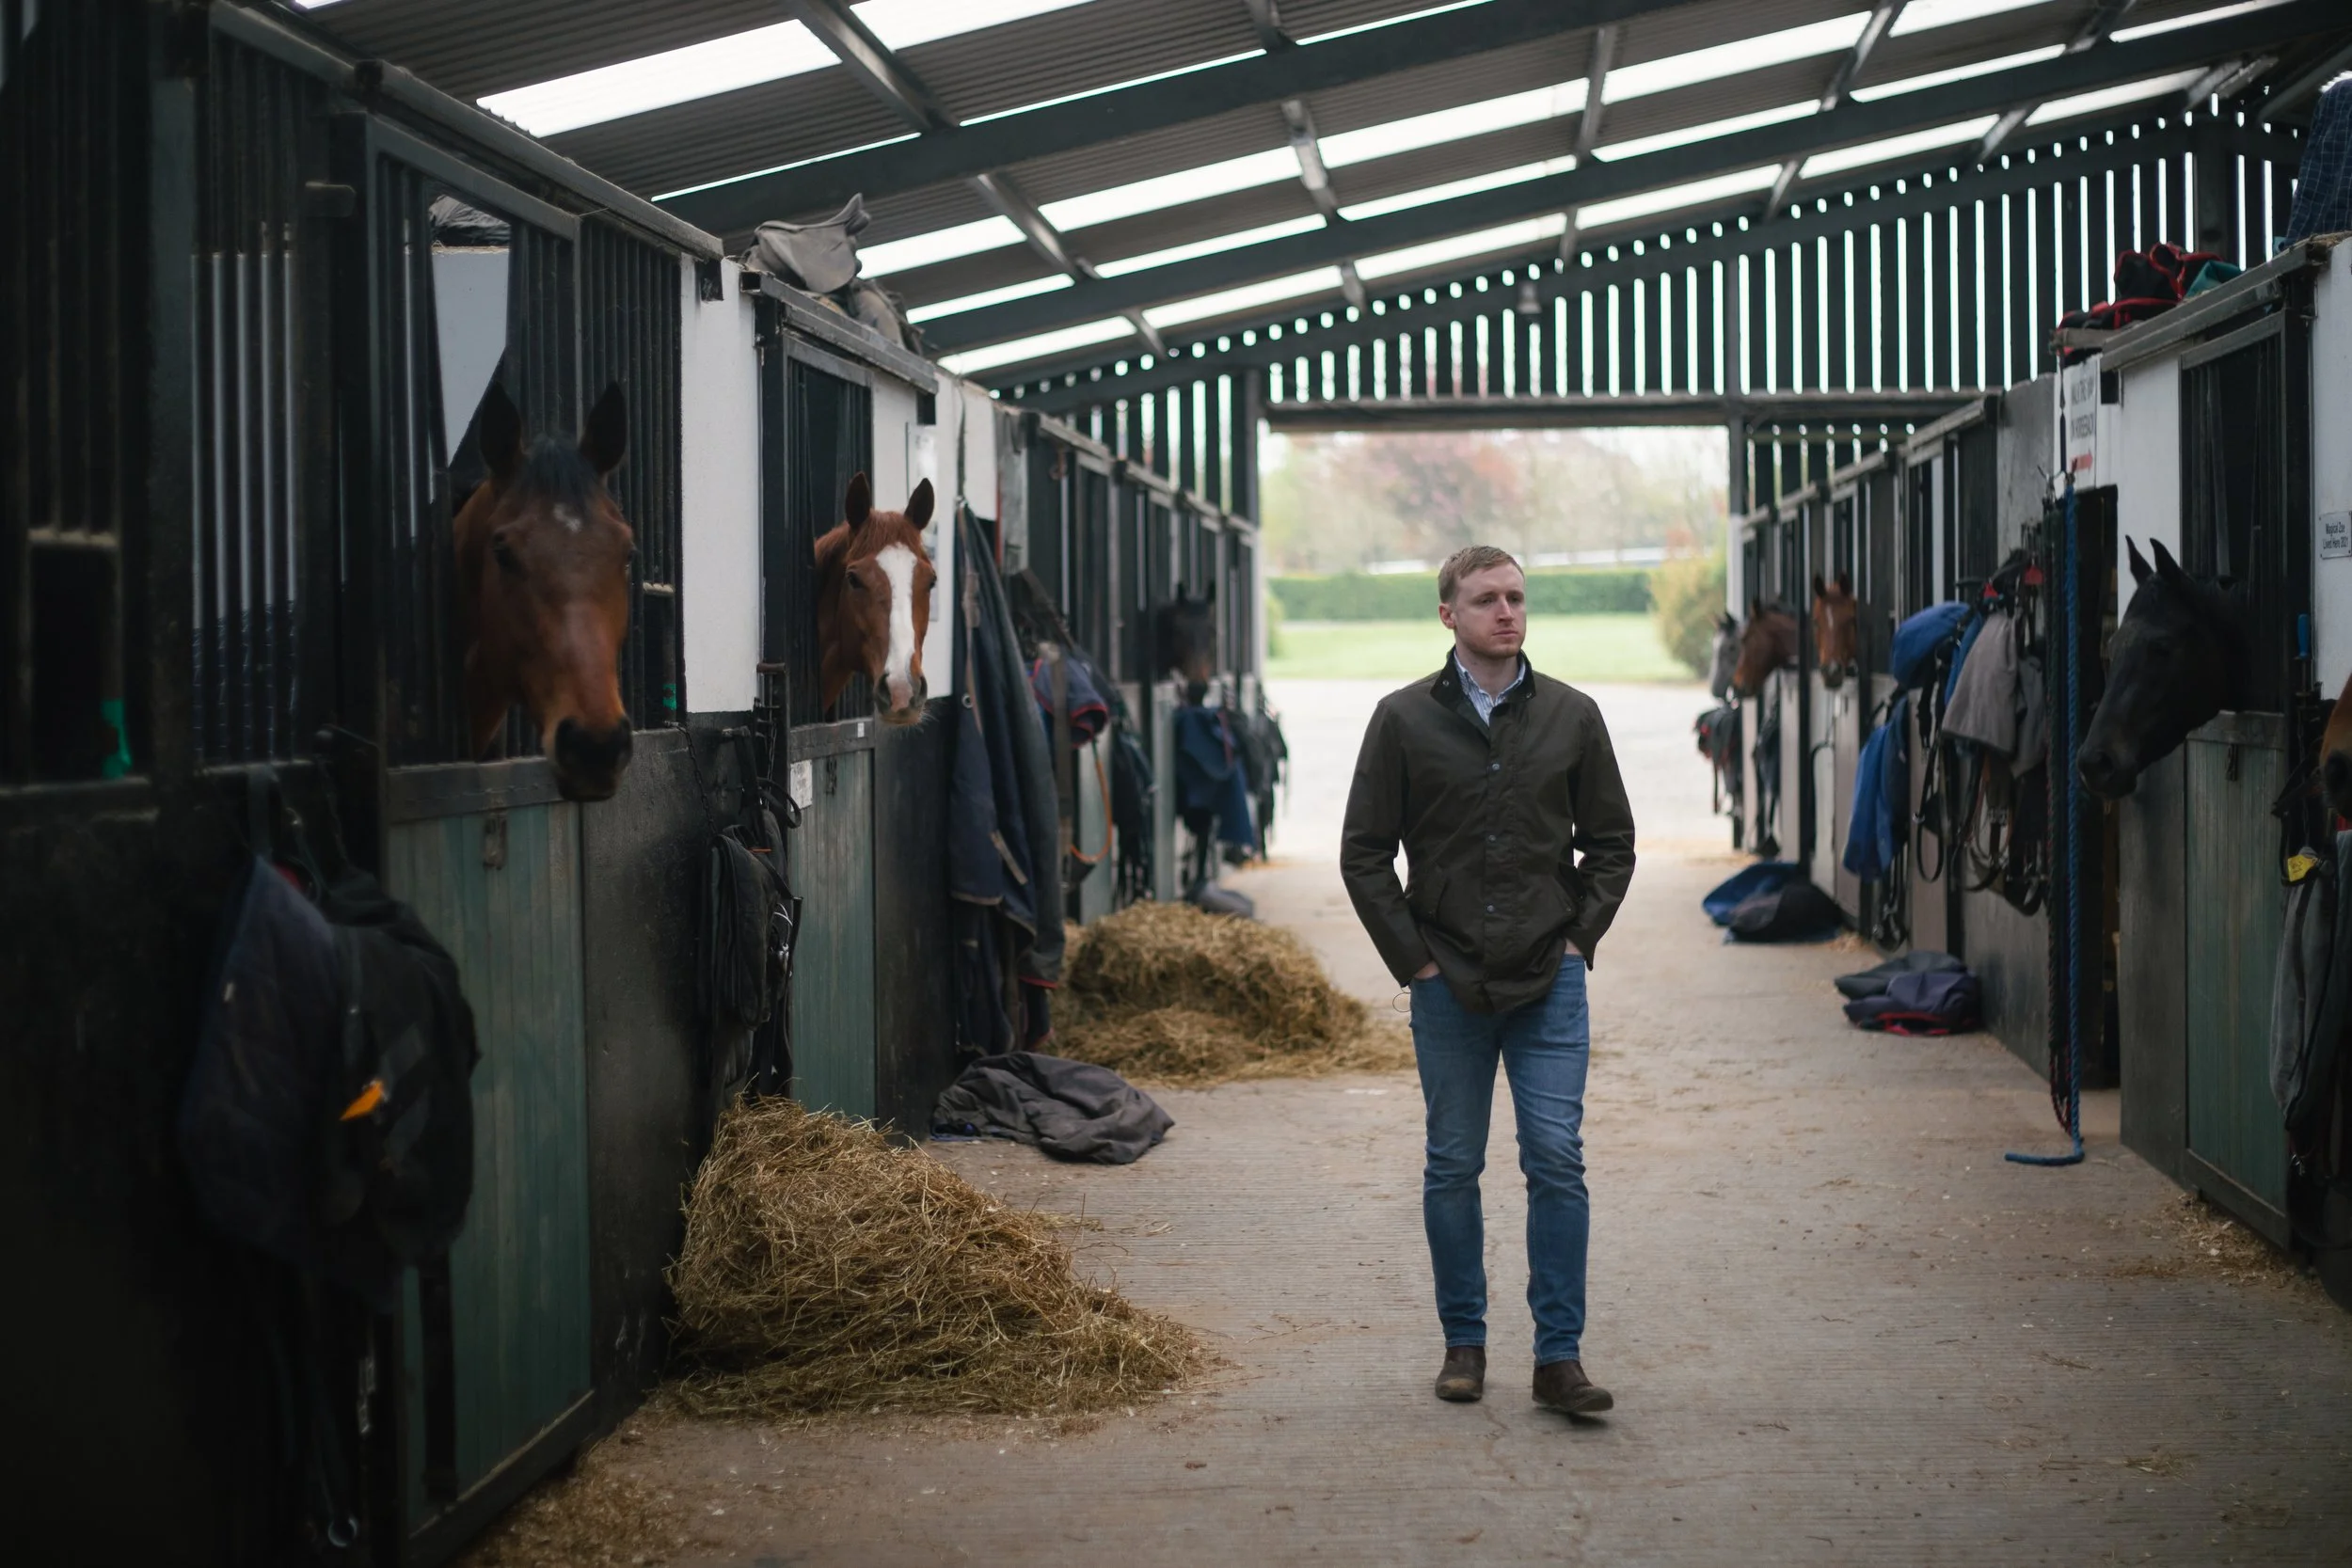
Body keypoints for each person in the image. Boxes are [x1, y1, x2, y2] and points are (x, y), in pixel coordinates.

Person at [1339, 545, 1637, 1416]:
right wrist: (1416, 960)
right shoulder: (1402, 719)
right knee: (1452, 1163)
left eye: (1515, 597)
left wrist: (1578, 938)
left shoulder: (1573, 715)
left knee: (1557, 1161)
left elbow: (1611, 842)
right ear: (1448, 615)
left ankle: (1559, 1358)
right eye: (1485, 599)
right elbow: (1364, 853)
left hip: (1550, 978)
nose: (1506, 612)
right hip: (1448, 981)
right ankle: (1463, 1345)